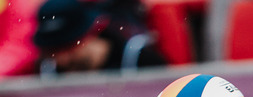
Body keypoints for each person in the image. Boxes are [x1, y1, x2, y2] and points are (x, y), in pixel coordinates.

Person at [33, 0, 167, 72]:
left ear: (91, 34)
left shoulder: (139, 59)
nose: (61, 60)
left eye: (68, 47)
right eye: (52, 51)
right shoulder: (48, 69)